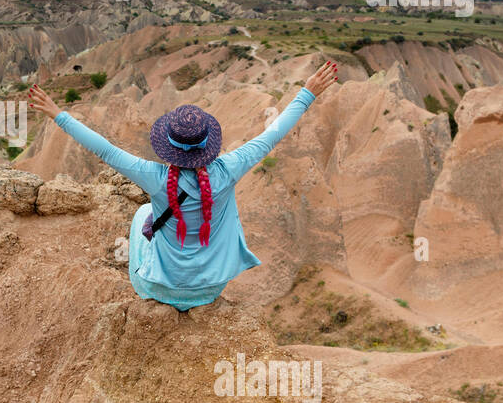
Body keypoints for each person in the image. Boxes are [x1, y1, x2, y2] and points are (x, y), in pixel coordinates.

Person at [27, 60, 339, 311]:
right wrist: (308, 91)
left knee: (143, 216)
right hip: (210, 289)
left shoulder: (155, 177)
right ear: (209, 144)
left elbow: (105, 149)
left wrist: (58, 114)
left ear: (168, 147)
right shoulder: (229, 169)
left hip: (159, 289)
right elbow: (272, 135)